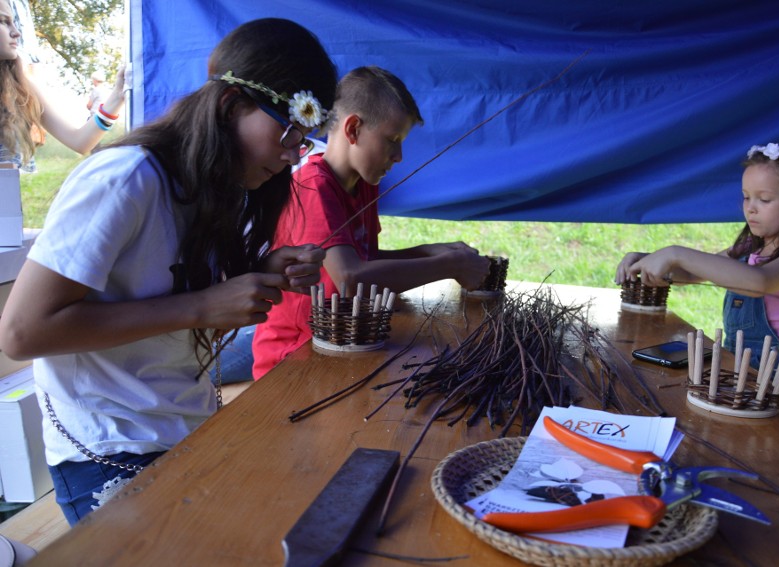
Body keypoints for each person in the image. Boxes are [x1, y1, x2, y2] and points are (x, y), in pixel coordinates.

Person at [0, 18, 337, 525]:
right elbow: (22, 333)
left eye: (304, 139)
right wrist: (203, 306)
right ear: (230, 105)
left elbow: (173, 301)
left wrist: (259, 276)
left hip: (186, 425)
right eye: (289, 130)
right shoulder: (126, 179)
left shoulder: (219, 189)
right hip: (108, 448)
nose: (293, 154)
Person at [251, 66, 491, 379]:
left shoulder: (363, 184)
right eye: (393, 139)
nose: (399, 155)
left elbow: (362, 259)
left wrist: (430, 252)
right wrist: (450, 266)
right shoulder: (314, 188)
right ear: (353, 130)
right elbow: (351, 278)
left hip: (344, 345)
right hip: (294, 362)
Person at [615, 143, 779, 412]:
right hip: (740, 378)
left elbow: (760, 282)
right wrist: (649, 261)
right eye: (746, 197)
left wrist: (675, 253)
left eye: (764, 199)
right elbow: (692, 273)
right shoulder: (751, 245)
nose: (751, 208)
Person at [0, 0, 125, 172]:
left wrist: (118, 94)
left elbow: (80, 141)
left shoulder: (19, 86)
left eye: (14, 22)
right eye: (3, 22)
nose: (16, 33)